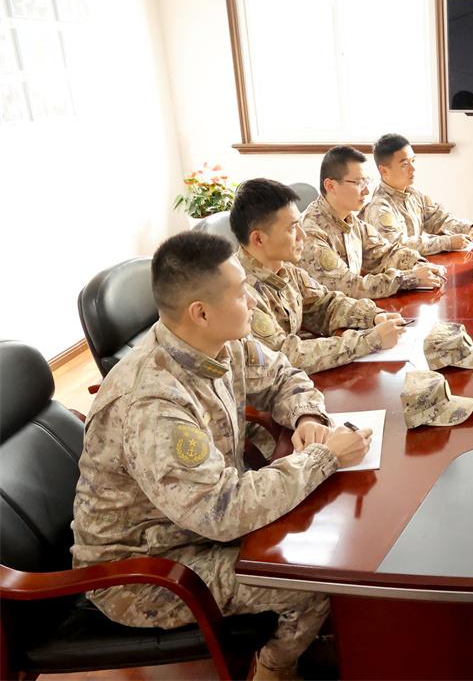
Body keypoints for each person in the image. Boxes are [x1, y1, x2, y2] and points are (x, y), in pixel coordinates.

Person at [71, 231, 373, 681]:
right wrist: (323, 457)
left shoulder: (219, 341)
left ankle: (316, 640)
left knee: (322, 526)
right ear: (201, 312)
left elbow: (284, 376)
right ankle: (273, 669)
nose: (251, 299)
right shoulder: (152, 402)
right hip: (143, 571)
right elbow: (223, 511)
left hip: (190, 523)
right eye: (240, 292)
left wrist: (307, 416)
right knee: (310, 581)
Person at [231, 178, 406, 374]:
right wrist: (368, 341)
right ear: (258, 239)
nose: (302, 235)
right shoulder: (239, 294)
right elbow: (284, 356)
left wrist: (373, 316)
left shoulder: (285, 269)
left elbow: (325, 304)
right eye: (291, 228)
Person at [299, 145, 446, 299]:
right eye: (358, 183)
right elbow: (348, 286)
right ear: (331, 186)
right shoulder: (310, 233)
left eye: (366, 182)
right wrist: (409, 278)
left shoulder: (350, 220)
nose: (366, 191)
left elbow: (383, 253)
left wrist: (418, 264)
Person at [361, 133, 473, 255]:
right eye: (404, 164)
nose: (413, 168)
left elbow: (439, 218)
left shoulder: (414, 195)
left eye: (413, 161)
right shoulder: (379, 207)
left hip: (420, 268)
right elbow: (399, 246)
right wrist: (447, 242)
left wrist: (468, 229)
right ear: (384, 170)